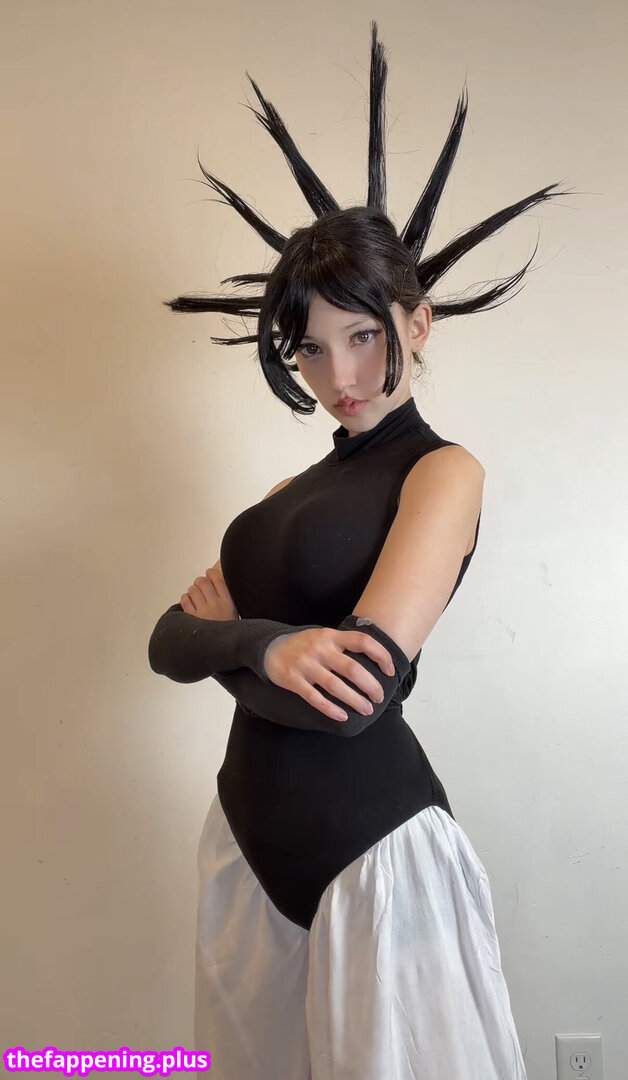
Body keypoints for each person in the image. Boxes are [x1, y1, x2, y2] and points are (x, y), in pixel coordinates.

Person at [148, 21, 570, 1079]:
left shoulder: (442, 473)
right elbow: (164, 640)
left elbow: (356, 698)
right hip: (244, 850)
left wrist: (233, 642)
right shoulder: (284, 497)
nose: (339, 376)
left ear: (417, 324)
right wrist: (273, 646)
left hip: (374, 860)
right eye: (311, 349)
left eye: (365, 336)